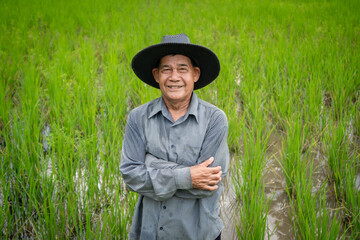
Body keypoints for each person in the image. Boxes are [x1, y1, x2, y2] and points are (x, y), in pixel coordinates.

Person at [120, 33, 229, 240]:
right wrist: (188, 176)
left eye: (182, 69)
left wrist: (150, 165)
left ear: (195, 74)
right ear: (156, 75)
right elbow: (131, 175)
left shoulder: (215, 119)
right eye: (166, 69)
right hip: (149, 232)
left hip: (199, 233)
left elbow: (207, 187)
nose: (174, 77)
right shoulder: (138, 118)